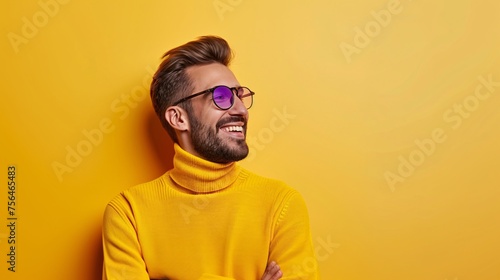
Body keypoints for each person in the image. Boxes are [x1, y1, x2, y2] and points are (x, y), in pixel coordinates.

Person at [102, 36, 318, 280]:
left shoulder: (282, 204)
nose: (240, 110)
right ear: (178, 118)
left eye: (239, 95)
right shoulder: (128, 214)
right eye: (222, 96)